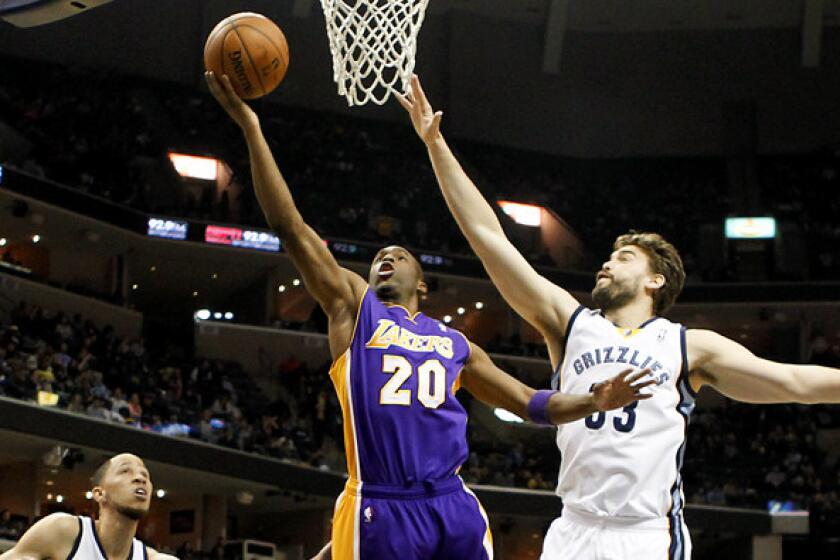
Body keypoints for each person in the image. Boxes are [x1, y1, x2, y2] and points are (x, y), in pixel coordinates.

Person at [205, 72, 653, 560]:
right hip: (379, 501)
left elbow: (529, 402)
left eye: (397, 254)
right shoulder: (356, 310)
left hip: (452, 503)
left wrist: (595, 400)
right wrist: (251, 128)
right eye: (378, 256)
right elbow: (289, 226)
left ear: (423, 283)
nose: (385, 258)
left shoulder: (458, 344)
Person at [398, 74, 840, 560]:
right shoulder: (571, 323)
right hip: (572, 528)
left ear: (656, 282)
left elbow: (793, 382)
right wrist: (436, 145)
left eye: (625, 258)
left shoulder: (688, 345)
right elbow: (489, 237)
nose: (607, 263)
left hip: (644, 534)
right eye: (610, 256)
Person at [0, 453, 176, 560]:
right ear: (99, 493)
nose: (141, 478)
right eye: (125, 471)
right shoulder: (62, 532)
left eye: (145, 475)